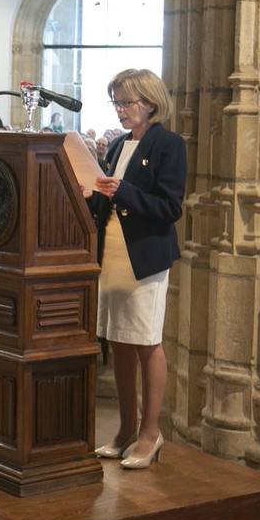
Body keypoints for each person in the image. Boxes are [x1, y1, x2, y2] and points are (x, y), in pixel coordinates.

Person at [88, 69, 186, 470]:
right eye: (116, 102)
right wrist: (90, 191)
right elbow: (107, 201)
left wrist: (122, 192)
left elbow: (170, 207)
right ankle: (126, 428)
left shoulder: (168, 144)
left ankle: (150, 432)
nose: (120, 109)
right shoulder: (117, 146)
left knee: (146, 342)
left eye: (127, 102)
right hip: (111, 252)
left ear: (150, 102)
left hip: (143, 256)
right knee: (119, 342)